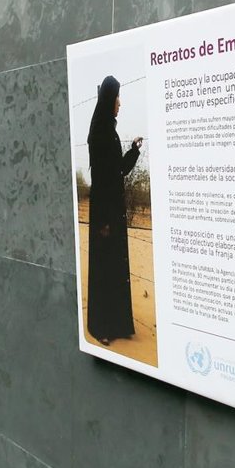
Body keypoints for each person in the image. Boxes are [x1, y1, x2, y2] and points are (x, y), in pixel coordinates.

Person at [86, 76, 143, 344]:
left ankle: (117, 324)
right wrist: (105, 220)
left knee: (115, 267)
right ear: (110, 99)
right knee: (105, 269)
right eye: (117, 98)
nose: (120, 103)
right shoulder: (100, 132)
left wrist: (133, 151)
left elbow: (117, 170)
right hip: (105, 214)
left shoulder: (109, 129)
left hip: (112, 212)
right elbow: (102, 179)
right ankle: (102, 327)